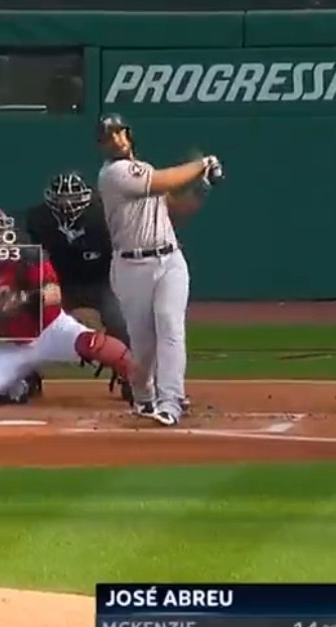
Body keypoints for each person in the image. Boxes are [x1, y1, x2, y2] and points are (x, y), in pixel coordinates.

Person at [95, 114, 221, 427]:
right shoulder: (114, 174)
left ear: (129, 135)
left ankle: (171, 401)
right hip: (131, 266)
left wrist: (203, 187)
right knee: (143, 344)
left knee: (170, 326)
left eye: (120, 133)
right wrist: (202, 164)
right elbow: (164, 180)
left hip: (170, 261)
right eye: (109, 137)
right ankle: (144, 397)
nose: (117, 140)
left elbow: (175, 211)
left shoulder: (143, 169)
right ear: (101, 145)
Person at [0, 204, 137, 406]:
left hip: (52, 329)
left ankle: (140, 385)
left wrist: (22, 300)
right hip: (13, 343)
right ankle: (21, 383)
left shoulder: (28, 257)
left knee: (101, 347)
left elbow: (54, 294)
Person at [25, 172, 134, 405]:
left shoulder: (102, 217)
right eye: (61, 198)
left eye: (72, 198)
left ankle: (131, 376)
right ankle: (26, 374)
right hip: (59, 284)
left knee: (122, 320)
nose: (66, 204)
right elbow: (30, 259)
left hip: (100, 281)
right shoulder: (38, 219)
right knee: (29, 318)